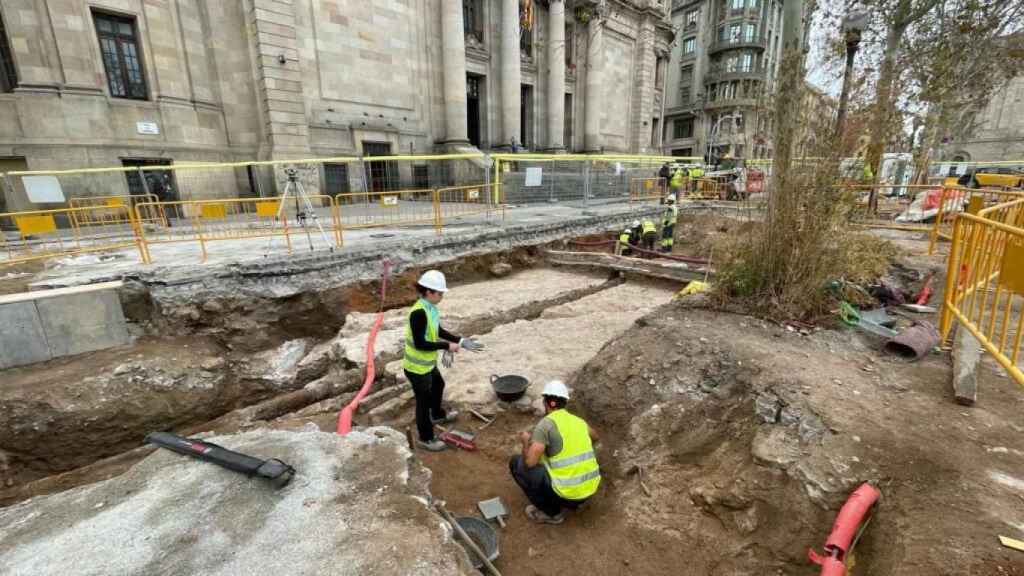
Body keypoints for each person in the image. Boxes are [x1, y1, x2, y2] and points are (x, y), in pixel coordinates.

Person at [403, 270, 484, 451]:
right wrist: (447, 347)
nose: (441, 297)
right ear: (429, 292)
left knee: (439, 385)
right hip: (416, 367)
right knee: (422, 402)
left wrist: (460, 340)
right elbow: (420, 343)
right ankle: (426, 438)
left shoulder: (431, 309)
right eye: (439, 293)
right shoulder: (418, 313)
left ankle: (438, 415)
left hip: (427, 363)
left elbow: (437, 330)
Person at [509, 380, 601, 524]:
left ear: (547, 403)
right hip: (590, 489)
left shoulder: (545, 425)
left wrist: (526, 441)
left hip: (567, 494)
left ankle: (553, 514)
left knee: (517, 464)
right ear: (565, 402)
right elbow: (595, 437)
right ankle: (575, 503)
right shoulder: (579, 421)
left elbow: (530, 463)